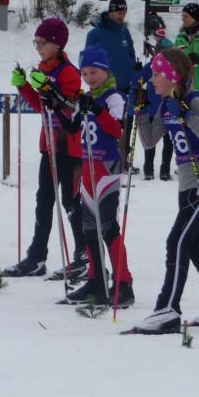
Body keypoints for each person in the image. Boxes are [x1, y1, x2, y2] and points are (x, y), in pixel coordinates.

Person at [135, 48, 199, 334]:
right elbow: (149, 141)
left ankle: (167, 308)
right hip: (187, 185)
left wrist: (187, 115)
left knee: (177, 241)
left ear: (173, 76)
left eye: (156, 74)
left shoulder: (195, 101)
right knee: (197, 247)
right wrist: (142, 111)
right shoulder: (165, 104)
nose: (152, 79)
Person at [45, 46, 135, 307]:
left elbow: (117, 130)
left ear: (106, 70)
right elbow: (72, 128)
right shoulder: (86, 97)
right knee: (89, 228)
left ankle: (123, 284)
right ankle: (96, 280)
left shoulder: (113, 97)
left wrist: (96, 109)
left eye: (94, 72)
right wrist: (57, 107)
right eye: (84, 73)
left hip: (106, 167)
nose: (89, 78)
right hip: (88, 167)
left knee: (107, 227)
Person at [3, 18, 86, 278]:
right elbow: (41, 106)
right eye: (36, 42)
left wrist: (47, 87)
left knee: (71, 201)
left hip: (68, 145)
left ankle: (84, 255)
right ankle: (37, 256)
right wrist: (24, 86)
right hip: (49, 144)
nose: (38, 47)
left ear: (56, 44)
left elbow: (69, 108)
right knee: (44, 199)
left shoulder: (68, 72)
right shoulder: (43, 68)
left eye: (42, 43)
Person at [85, 0, 139, 171]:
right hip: (106, 89)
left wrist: (134, 71)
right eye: (118, 12)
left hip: (126, 86)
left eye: (124, 12)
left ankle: (124, 160)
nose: (121, 16)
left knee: (126, 124)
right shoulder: (95, 34)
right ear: (110, 12)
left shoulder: (124, 32)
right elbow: (87, 60)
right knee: (107, 124)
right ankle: (103, 158)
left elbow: (131, 54)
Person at [136, 12, 174, 180]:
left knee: (169, 140)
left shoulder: (173, 69)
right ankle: (148, 169)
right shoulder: (151, 66)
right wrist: (139, 87)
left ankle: (164, 169)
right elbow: (137, 81)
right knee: (151, 140)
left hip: (168, 109)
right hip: (152, 108)